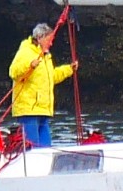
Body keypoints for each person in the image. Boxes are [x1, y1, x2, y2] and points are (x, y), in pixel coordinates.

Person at [6, 21, 74, 149]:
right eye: (49, 40)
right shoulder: (26, 51)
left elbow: (51, 77)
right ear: (40, 38)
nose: (51, 43)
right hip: (29, 109)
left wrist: (69, 69)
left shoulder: (45, 56)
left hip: (43, 109)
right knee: (33, 146)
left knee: (45, 147)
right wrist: (29, 65)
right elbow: (13, 72)